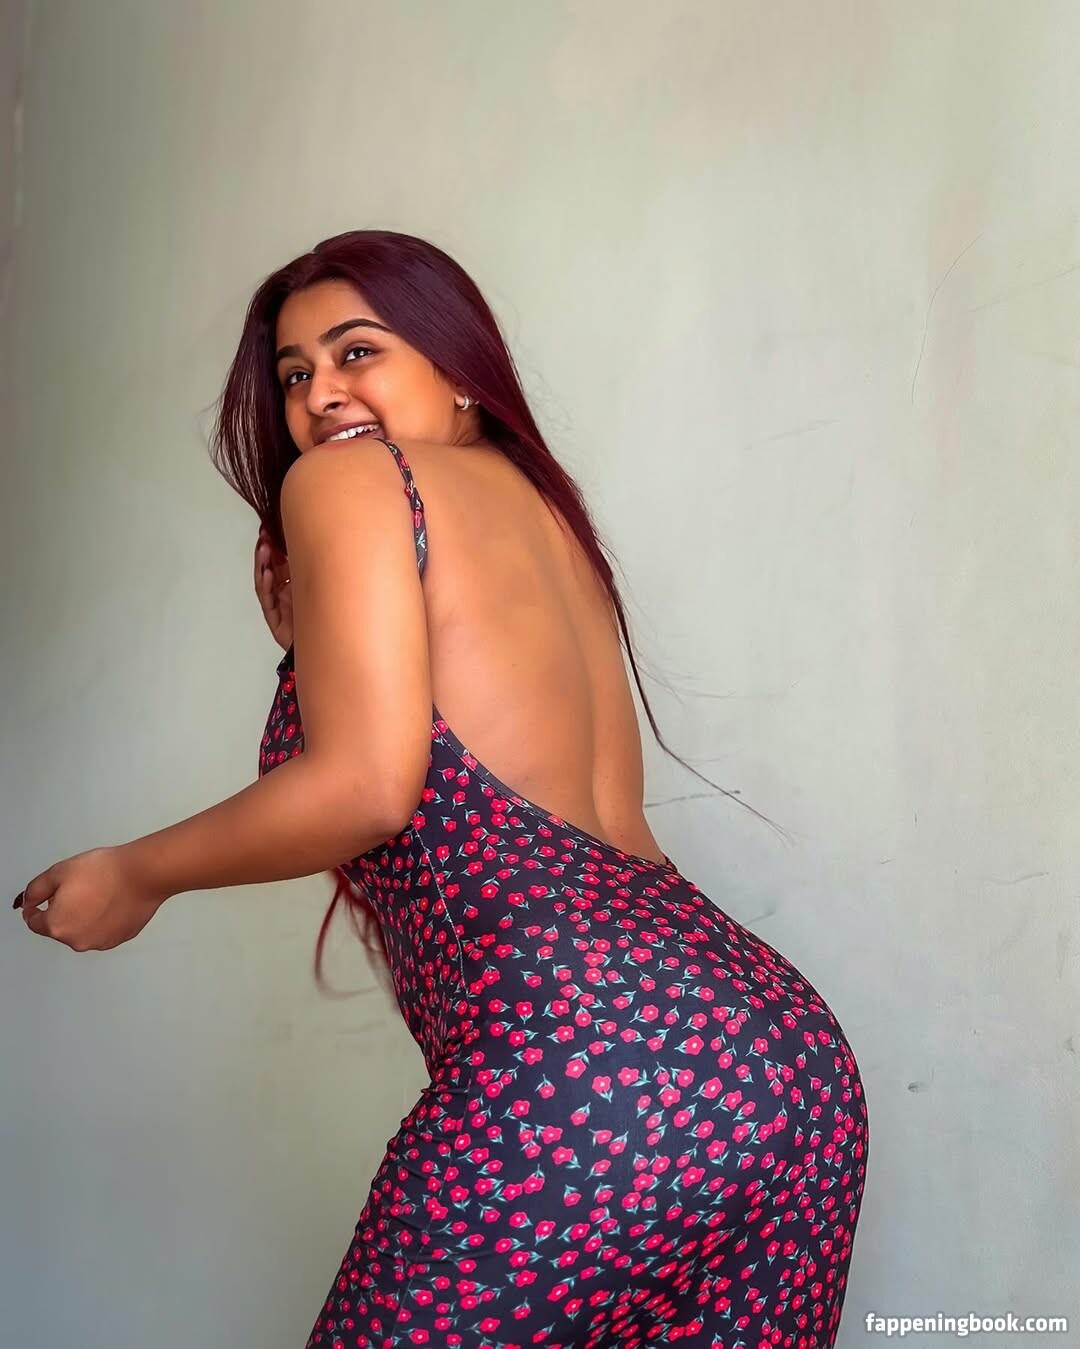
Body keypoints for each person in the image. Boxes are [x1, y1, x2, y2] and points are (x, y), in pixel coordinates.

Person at [19, 230, 869, 1347]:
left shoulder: (350, 482)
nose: (321, 395)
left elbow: (370, 784)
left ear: (460, 368)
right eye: (293, 374)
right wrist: (308, 648)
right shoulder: (548, 518)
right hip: (783, 1059)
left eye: (356, 351)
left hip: (595, 1062)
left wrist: (136, 873)